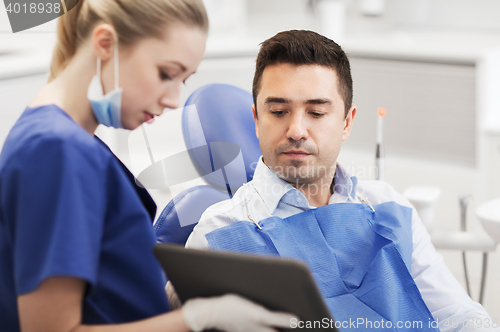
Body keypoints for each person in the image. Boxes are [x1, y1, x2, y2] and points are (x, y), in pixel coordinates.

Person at [0, 1, 296, 331]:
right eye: (166, 74)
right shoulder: (57, 151)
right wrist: (193, 320)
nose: (173, 100)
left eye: (182, 80)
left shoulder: (65, 139)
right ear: (105, 44)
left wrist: (175, 296)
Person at [185, 30, 496, 331]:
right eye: (279, 111)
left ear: (346, 123)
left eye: (316, 113)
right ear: (256, 119)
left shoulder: (389, 207)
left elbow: (457, 314)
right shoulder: (219, 234)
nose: (296, 130)